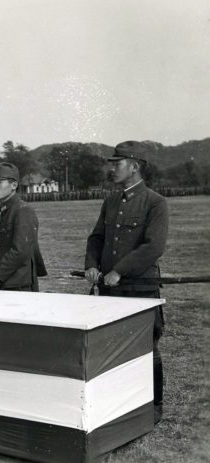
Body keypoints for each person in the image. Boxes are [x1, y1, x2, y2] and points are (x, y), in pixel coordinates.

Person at [84, 140, 168, 425]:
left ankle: (154, 406)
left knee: (147, 349)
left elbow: (153, 247)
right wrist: (92, 265)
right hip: (110, 291)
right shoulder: (110, 202)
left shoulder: (156, 203)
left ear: (134, 166)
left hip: (139, 290)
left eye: (116, 163)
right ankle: (119, 404)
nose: (112, 168)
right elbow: (96, 238)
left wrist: (119, 270)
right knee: (111, 350)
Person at [0, 163, 47, 291]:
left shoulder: (22, 211)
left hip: (19, 285)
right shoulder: (9, 210)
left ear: (14, 185)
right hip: (9, 282)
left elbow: (21, 251)